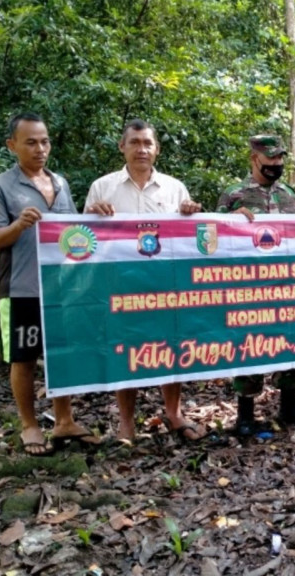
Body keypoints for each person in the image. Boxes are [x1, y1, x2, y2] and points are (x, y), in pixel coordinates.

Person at [0, 112, 99, 455]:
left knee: (62, 354)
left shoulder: (60, 183)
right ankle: (30, 425)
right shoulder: (0, 186)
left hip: (61, 288)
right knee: (24, 358)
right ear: (12, 145)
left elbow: (74, 233)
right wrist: (18, 225)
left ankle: (64, 420)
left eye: (44, 141)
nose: (40, 148)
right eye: (30, 142)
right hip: (21, 288)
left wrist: (97, 218)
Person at [85, 119, 202, 444]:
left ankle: (173, 413)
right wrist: (93, 215)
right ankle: (126, 424)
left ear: (157, 149)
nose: (141, 149)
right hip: (121, 287)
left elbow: (189, 238)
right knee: (126, 349)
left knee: (171, 346)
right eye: (134, 142)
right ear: (122, 146)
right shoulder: (102, 188)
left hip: (166, 285)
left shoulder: (175, 188)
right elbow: (81, 239)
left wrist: (190, 214)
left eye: (147, 143)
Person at [216, 134, 295, 436]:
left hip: (287, 282)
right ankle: (245, 414)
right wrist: (229, 220)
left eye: (280, 158)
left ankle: (288, 405)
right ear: (254, 158)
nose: (277, 164)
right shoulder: (234, 194)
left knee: (291, 341)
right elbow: (213, 237)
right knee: (249, 344)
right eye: (271, 159)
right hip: (250, 285)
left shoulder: (288, 193)